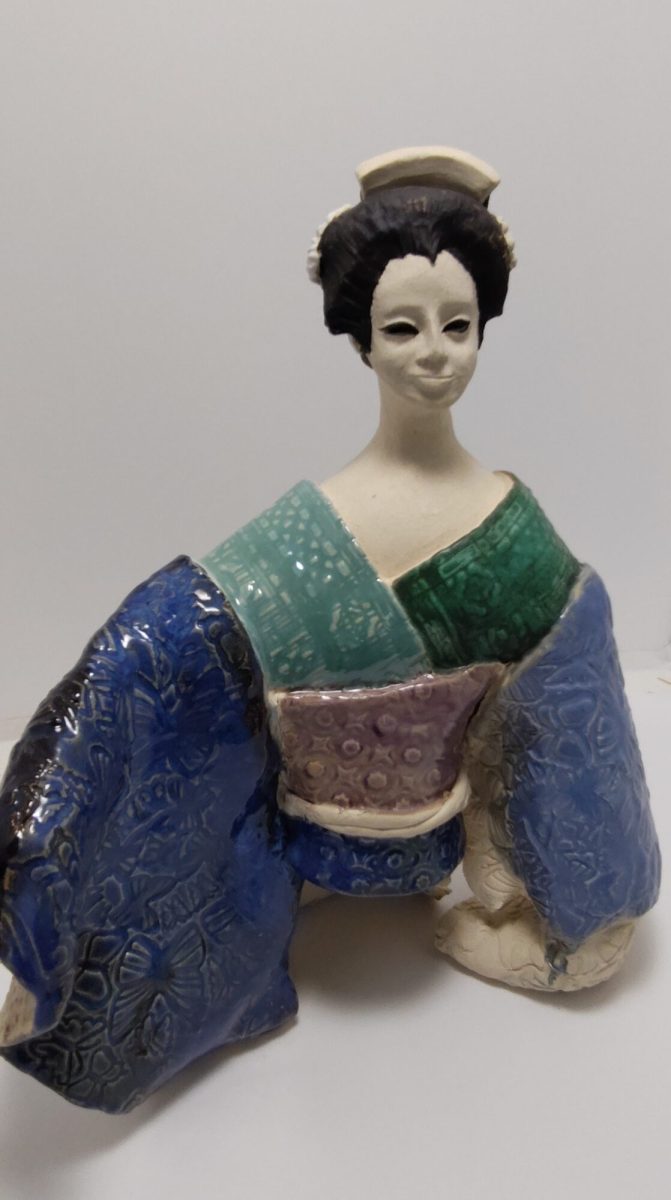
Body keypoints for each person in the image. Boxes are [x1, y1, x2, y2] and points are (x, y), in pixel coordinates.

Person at [0, 147, 660, 1113]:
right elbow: (173, 642)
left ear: (484, 331)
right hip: (314, 836)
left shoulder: (516, 536)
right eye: (401, 328)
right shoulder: (310, 529)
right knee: (179, 647)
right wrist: (54, 809)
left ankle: (577, 926)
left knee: (572, 632)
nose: (433, 352)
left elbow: (565, 712)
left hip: (437, 827)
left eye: (458, 326)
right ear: (360, 342)